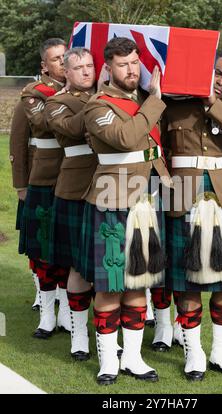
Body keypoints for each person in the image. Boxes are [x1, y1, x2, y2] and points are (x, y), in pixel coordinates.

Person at [78, 37, 172, 385]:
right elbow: (125, 138)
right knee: (110, 284)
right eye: (123, 64)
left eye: (135, 62)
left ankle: (133, 358)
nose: (131, 70)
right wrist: (155, 100)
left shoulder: (145, 101)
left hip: (147, 198)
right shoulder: (96, 106)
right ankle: (108, 360)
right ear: (108, 68)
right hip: (111, 200)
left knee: (139, 281)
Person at [163, 51, 222, 381]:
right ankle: (194, 354)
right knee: (186, 283)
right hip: (182, 198)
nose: (221, 81)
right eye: (217, 73)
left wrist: (213, 103)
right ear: (207, 69)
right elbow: (156, 147)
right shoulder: (174, 104)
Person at [44, 47, 98, 360]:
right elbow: (73, 129)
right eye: (78, 68)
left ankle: (109, 330)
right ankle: (79, 333)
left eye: (91, 66)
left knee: (109, 265)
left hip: (110, 186)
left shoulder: (111, 95)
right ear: (66, 72)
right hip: (75, 189)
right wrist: (102, 97)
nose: (86, 72)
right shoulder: (56, 102)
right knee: (77, 264)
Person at [20, 38, 71, 339]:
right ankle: (47, 314)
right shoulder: (34, 93)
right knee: (43, 250)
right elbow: (41, 123)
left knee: (66, 250)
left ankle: (66, 312)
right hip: (45, 178)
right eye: (56, 59)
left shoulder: (85, 92)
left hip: (75, 177)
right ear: (44, 65)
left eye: (67, 57)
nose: (63, 63)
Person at [9, 100, 40, 310]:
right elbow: (18, 143)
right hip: (35, 180)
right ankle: (42, 290)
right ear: (44, 65)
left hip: (66, 180)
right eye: (55, 62)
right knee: (36, 242)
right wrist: (21, 185)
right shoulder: (30, 99)